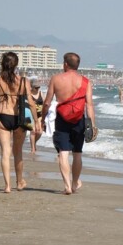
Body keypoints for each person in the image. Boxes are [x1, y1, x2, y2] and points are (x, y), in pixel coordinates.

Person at [0, 52, 40, 193]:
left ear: (2, 63)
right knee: (18, 152)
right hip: (19, 119)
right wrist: (37, 121)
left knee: (5, 152)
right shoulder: (23, 81)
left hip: (3, 117)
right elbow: (31, 103)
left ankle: (7, 186)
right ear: (16, 65)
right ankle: (19, 182)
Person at [41, 52, 95, 195]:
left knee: (63, 154)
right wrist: (92, 125)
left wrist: (42, 118)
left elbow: (47, 102)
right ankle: (75, 183)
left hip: (62, 120)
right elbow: (89, 105)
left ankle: (67, 186)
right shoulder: (86, 81)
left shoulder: (56, 79)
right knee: (77, 154)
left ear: (65, 64)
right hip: (79, 121)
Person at [29, 78, 44, 153]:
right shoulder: (28, 94)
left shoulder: (41, 93)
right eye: (36, 87)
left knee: (40, 132)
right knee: (33, 131)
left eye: (39, 87)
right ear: (31, 87)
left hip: (40, 115)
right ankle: (32, 149)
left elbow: (44, 104)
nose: (38, 89)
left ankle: (34, 142)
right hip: (31, 115)